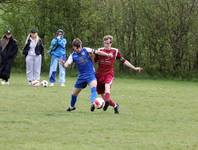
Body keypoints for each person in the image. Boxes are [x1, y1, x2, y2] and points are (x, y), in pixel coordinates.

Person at [95, 35, 143, 114]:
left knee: (107, 86)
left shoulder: (115, 51)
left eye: (109, 43)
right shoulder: (99, 51)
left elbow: (124, 61)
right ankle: (115, 106)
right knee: (102, 95)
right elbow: (94, 60)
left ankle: (106, 102)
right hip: (99, 75)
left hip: (109, 74)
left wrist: (134, 68)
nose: (108, 45)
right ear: (103, 43)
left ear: (111, 43)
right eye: (106, 43)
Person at [61, 38, 112, 112]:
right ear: (74, 47)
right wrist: (63, 64)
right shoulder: (73, 55)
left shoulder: (86, 50)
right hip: (81, 77)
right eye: (76, 48)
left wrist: (107, 54)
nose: (78, 49)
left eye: (79, 47)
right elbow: (66, 65)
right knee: (74, 94)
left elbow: (98, 52)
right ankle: (72, 107)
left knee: (93, 88)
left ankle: (93, 104)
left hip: (90, 74)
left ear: (81, 46)